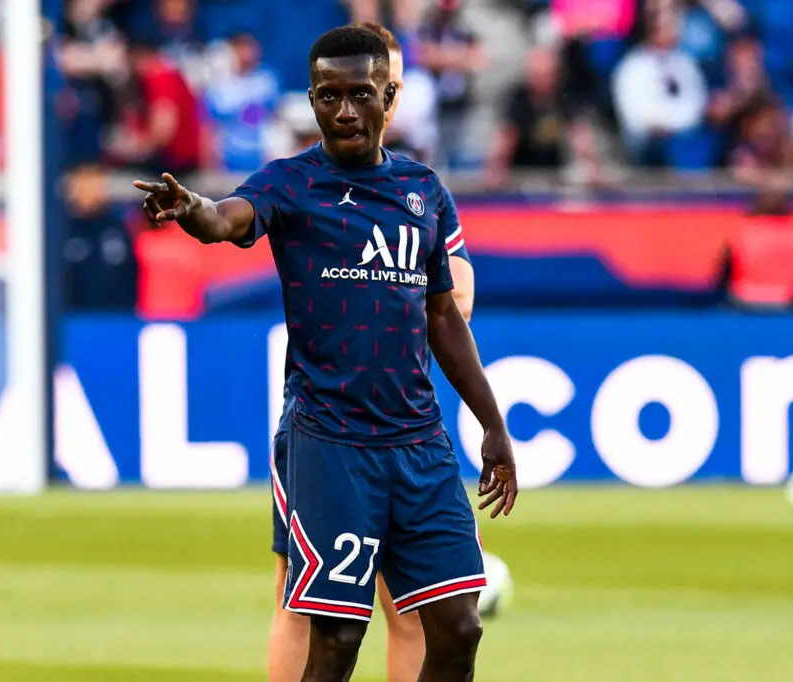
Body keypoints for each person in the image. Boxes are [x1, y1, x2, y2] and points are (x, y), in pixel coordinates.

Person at [134, 25, 517, 682]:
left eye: (360, 94)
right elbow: (226, 219)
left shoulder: (423, 191)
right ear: (311, 101)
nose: (343, 110)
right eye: (328, 96)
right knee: (337, 637)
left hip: (419, 443)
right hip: (331, 442)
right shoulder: (291, 183)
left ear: (389, 96)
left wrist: (493, 424)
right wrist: (192, 206)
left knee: (460, 627)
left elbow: (443, 316)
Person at [266, 22, 476, 682]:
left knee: (412, 611)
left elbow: (456, 296)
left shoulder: (419, 191)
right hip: (326, 424)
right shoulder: (305, 182)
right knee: (304, 602)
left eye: (383, 87)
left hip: (400, 422)